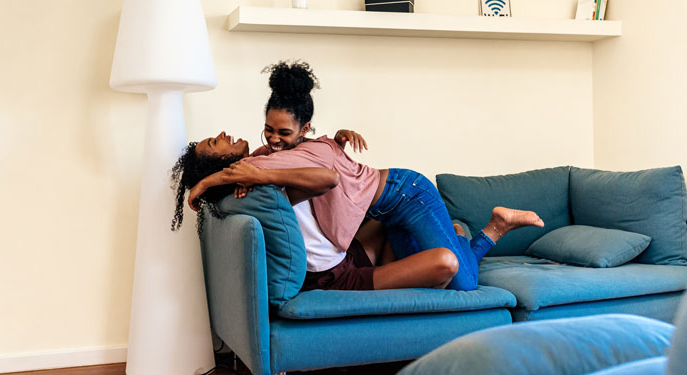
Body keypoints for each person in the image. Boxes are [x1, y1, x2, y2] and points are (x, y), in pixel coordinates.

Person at [176, 60, 545, 292]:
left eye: (283, 133)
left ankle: (492, 228)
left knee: (463, 281)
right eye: (268, 130)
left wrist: (209, 182)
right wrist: (226, 178)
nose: (273, 139)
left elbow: (317, 173)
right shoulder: (269, 156)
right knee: (446, 266)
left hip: (407, 194)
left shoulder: (277, 160)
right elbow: (276, 165)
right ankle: (462, 232)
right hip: (382, 213)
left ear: (304, 129)